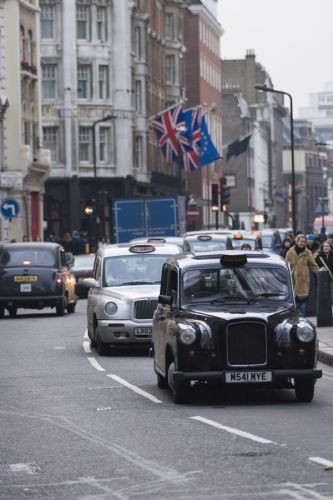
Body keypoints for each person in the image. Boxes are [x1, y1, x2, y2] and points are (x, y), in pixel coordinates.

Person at [286, 234, 319, 317]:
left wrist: (320, 274)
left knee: (303, 301)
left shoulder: (308, 253)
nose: (302, 243)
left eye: (304, 242)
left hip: (303, 281)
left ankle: (302, 319)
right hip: (292, 279)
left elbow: (313, 265)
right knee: (294, 302)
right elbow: (286, 264)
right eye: (301, 241)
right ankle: (294, 319)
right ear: (297, 241)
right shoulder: (290, 252)